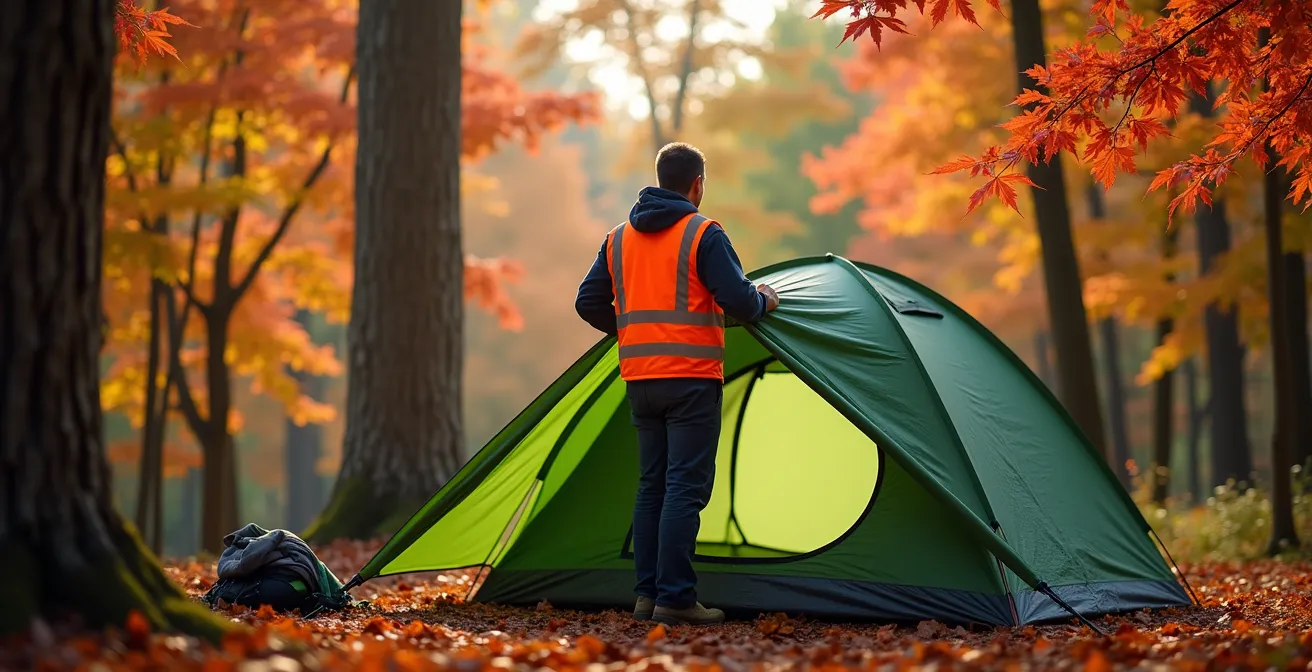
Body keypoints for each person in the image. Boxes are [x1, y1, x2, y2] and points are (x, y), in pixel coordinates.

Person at [574, 142, 780, 626]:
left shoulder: (618, 237)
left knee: (652, 486)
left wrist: (633, 332)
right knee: (685, 489)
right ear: (698, 184)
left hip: (641, 380)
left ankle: (647, 595)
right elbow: (741, 302)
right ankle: (677, 600)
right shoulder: (703, 233)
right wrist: (767, 299)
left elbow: (588, 302)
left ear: (659, 177)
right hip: (690, 379)